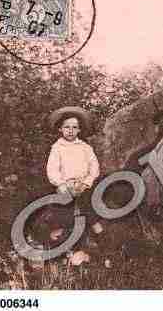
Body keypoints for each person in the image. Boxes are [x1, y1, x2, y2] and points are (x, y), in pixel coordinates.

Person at [45, 106, 103, 251]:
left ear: (79, 130)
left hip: (83, 185)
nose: (70, 130)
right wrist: (62, 185)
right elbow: (52, 170)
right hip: (65, 186)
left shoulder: (85, 147)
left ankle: (100, 239)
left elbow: (94, 167)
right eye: (67, 127)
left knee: (88, 208)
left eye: (74, 127)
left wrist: (86, 182)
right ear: (60, 129)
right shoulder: (57, 147)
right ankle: (63, 245)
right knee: (64, 214)